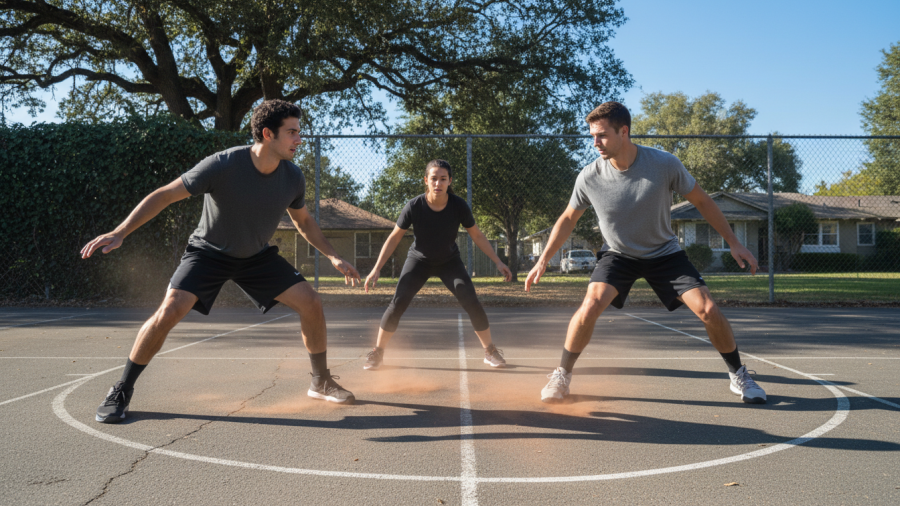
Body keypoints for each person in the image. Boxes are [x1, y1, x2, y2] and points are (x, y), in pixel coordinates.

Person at [81, 100, 361, 423]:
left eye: (299, 132)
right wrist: (120, 232)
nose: (299, 139)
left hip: (256, 256)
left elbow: (304, 222)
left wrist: (333, 255)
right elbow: (166, 194)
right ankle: (122, 389)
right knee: (168, 311)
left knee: (311, 302)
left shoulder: (293, 177)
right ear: (267, 134)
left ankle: (320, 381)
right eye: (292, 132)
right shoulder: (223, 165)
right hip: (208, 253)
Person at [526, 101, 766, 405]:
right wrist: (544, 259)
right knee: (590, 305)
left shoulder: (664, 164)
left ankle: (738, 374)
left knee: (707, 309)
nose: (595, 142)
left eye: (602, 135)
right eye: (592, 135)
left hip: (664, 253)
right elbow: (567, 218)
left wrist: (734, 241)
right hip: (618, 254)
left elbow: (703, 201)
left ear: (624, 132)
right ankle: (562, 375)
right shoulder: (589, 176)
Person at [363, 159, 513, 370]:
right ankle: (378, 352)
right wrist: (377, 268)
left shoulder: (458, 205)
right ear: (426, 180)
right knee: (398, 302)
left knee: (471, 300)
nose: (438, 183)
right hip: (419, 260)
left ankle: (490, 351)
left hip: (448, 262)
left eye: (443, 179)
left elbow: (477, 235)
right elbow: (394, 237)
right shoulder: (414, 206)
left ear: (449, 181)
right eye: (434, 178)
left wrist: (498, 261)